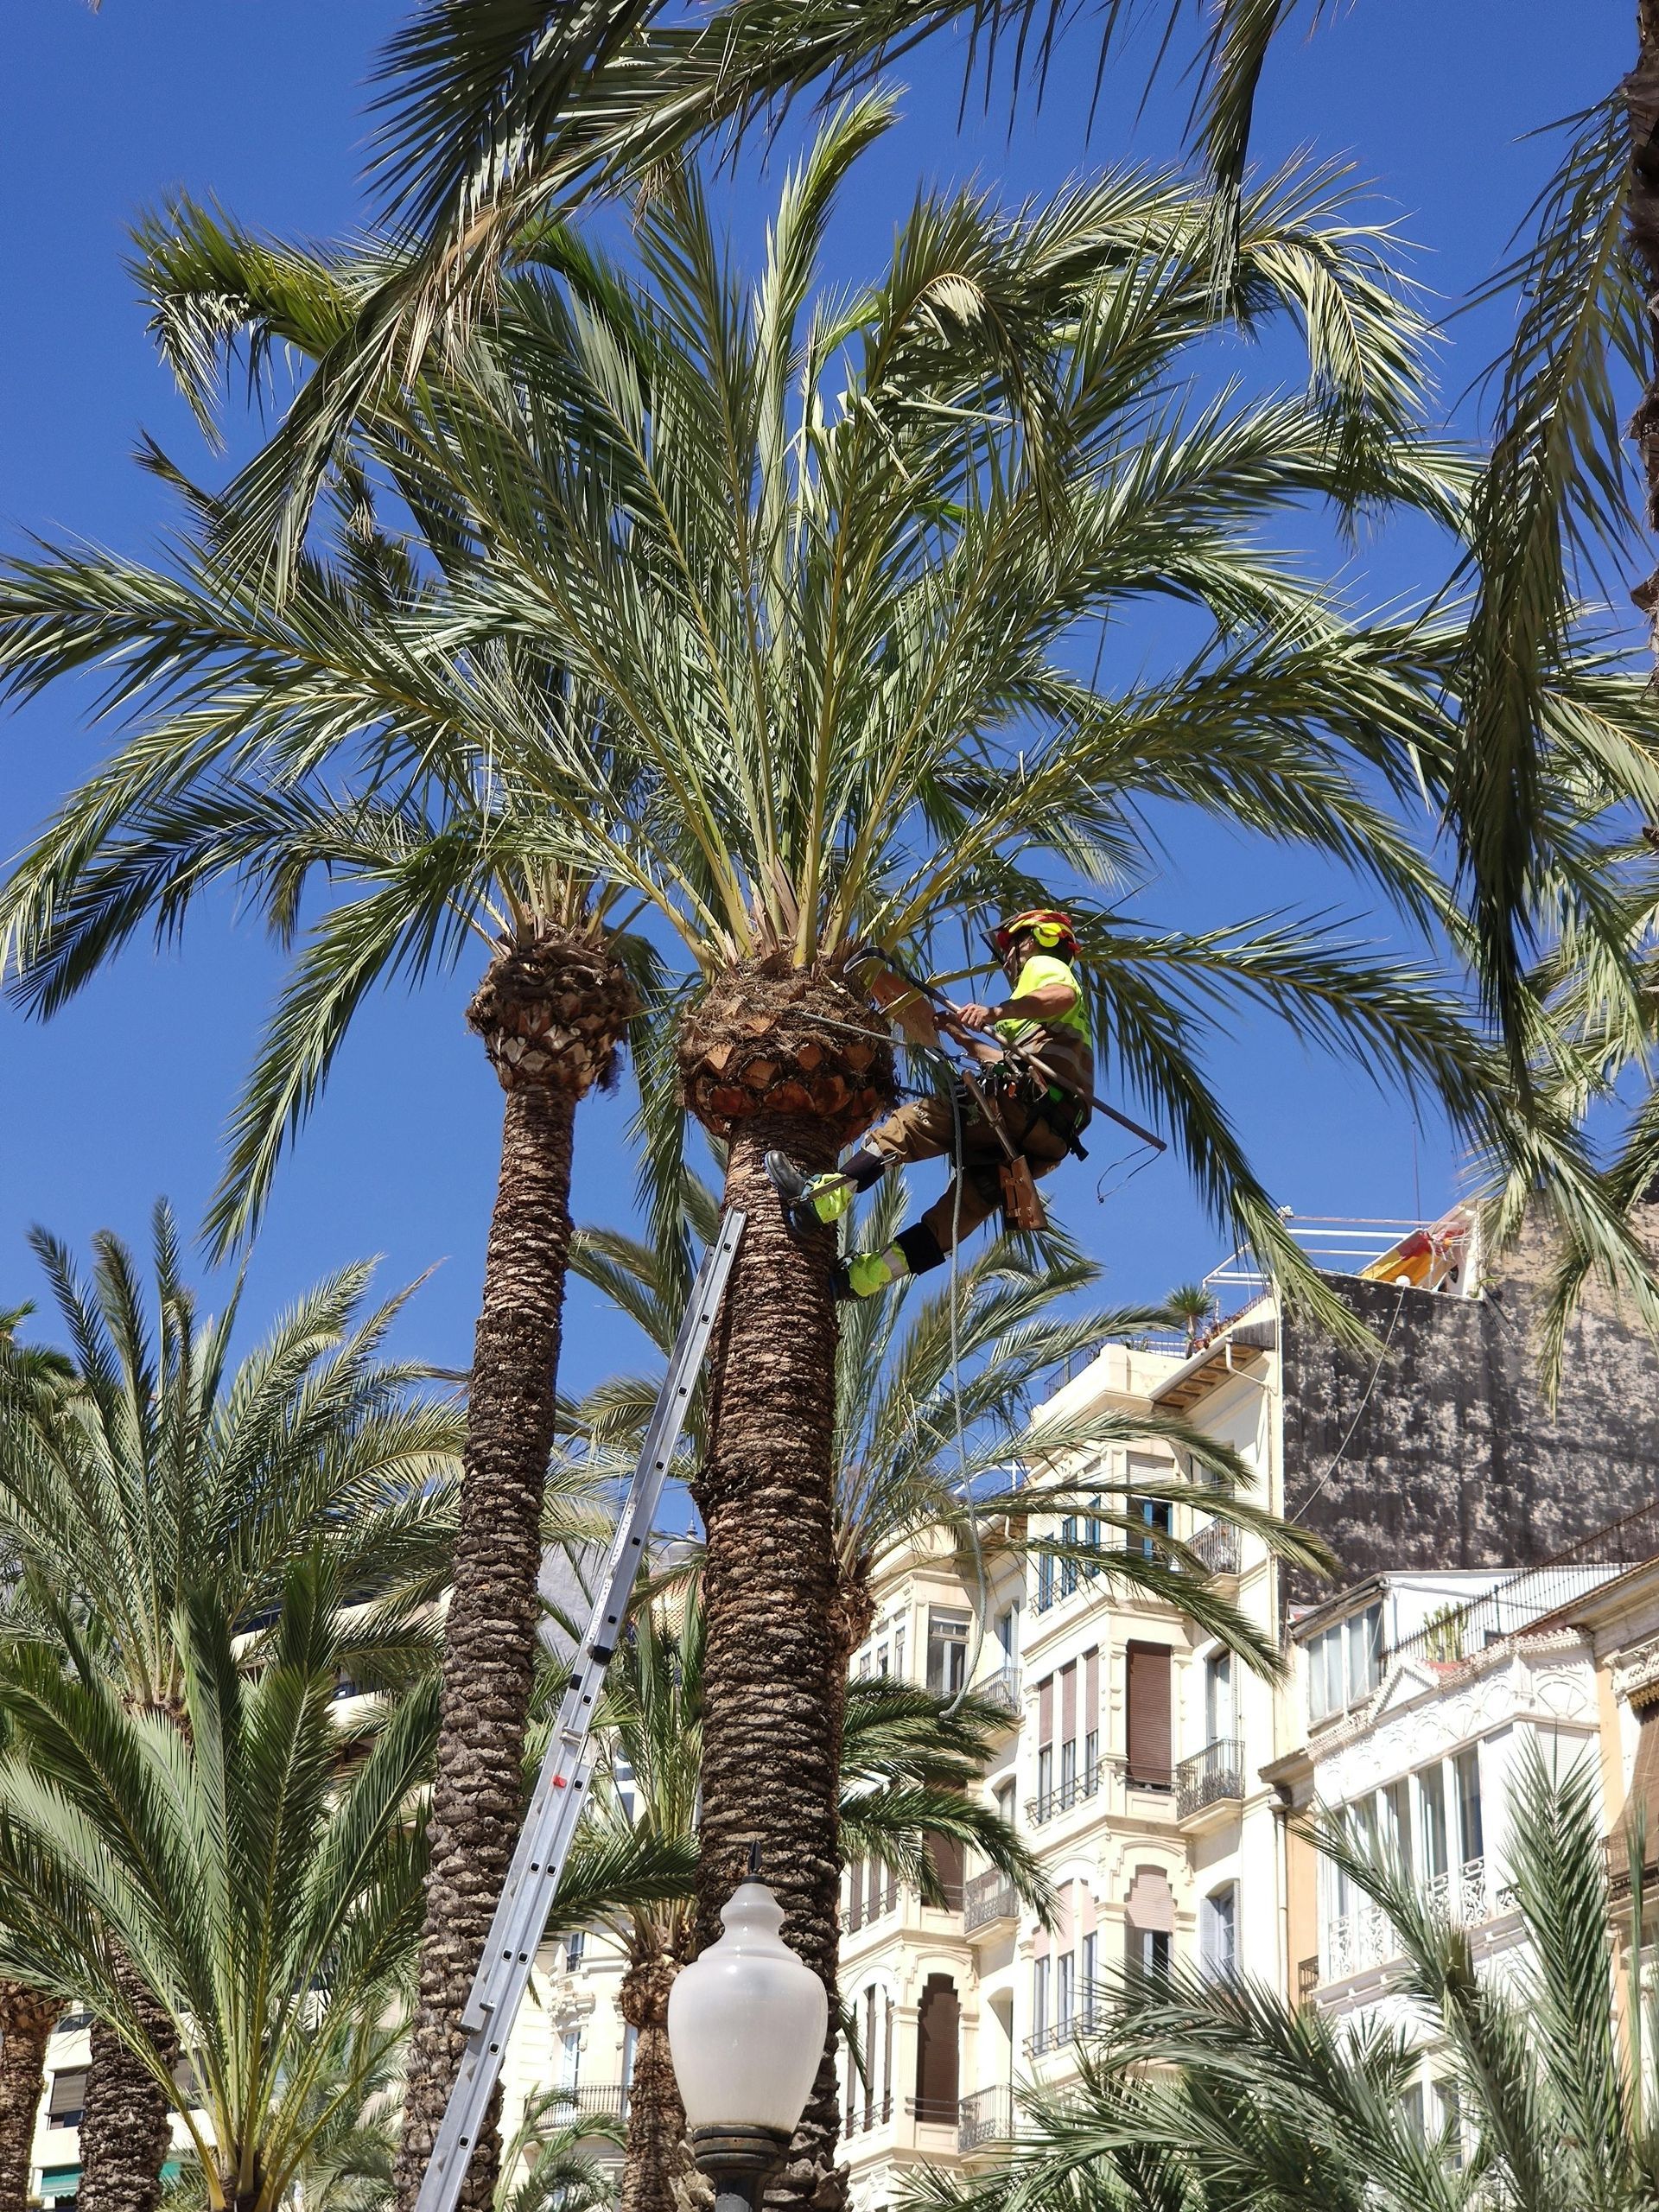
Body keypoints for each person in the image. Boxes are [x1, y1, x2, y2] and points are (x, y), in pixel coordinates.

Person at [766, 908, 1093, 1297]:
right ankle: (860, 1280)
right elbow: (1014, 1064)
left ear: (1035, 939)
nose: (1008, 959)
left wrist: (995, 1011)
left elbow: (1061, 994)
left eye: (1012, 947)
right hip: (1048, 1135)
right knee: (964, 1209)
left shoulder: (1043, 965)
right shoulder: (1055, 1033)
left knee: (910, 1126)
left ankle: (818, 1203)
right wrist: (965, 1040)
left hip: (1020, 1106)